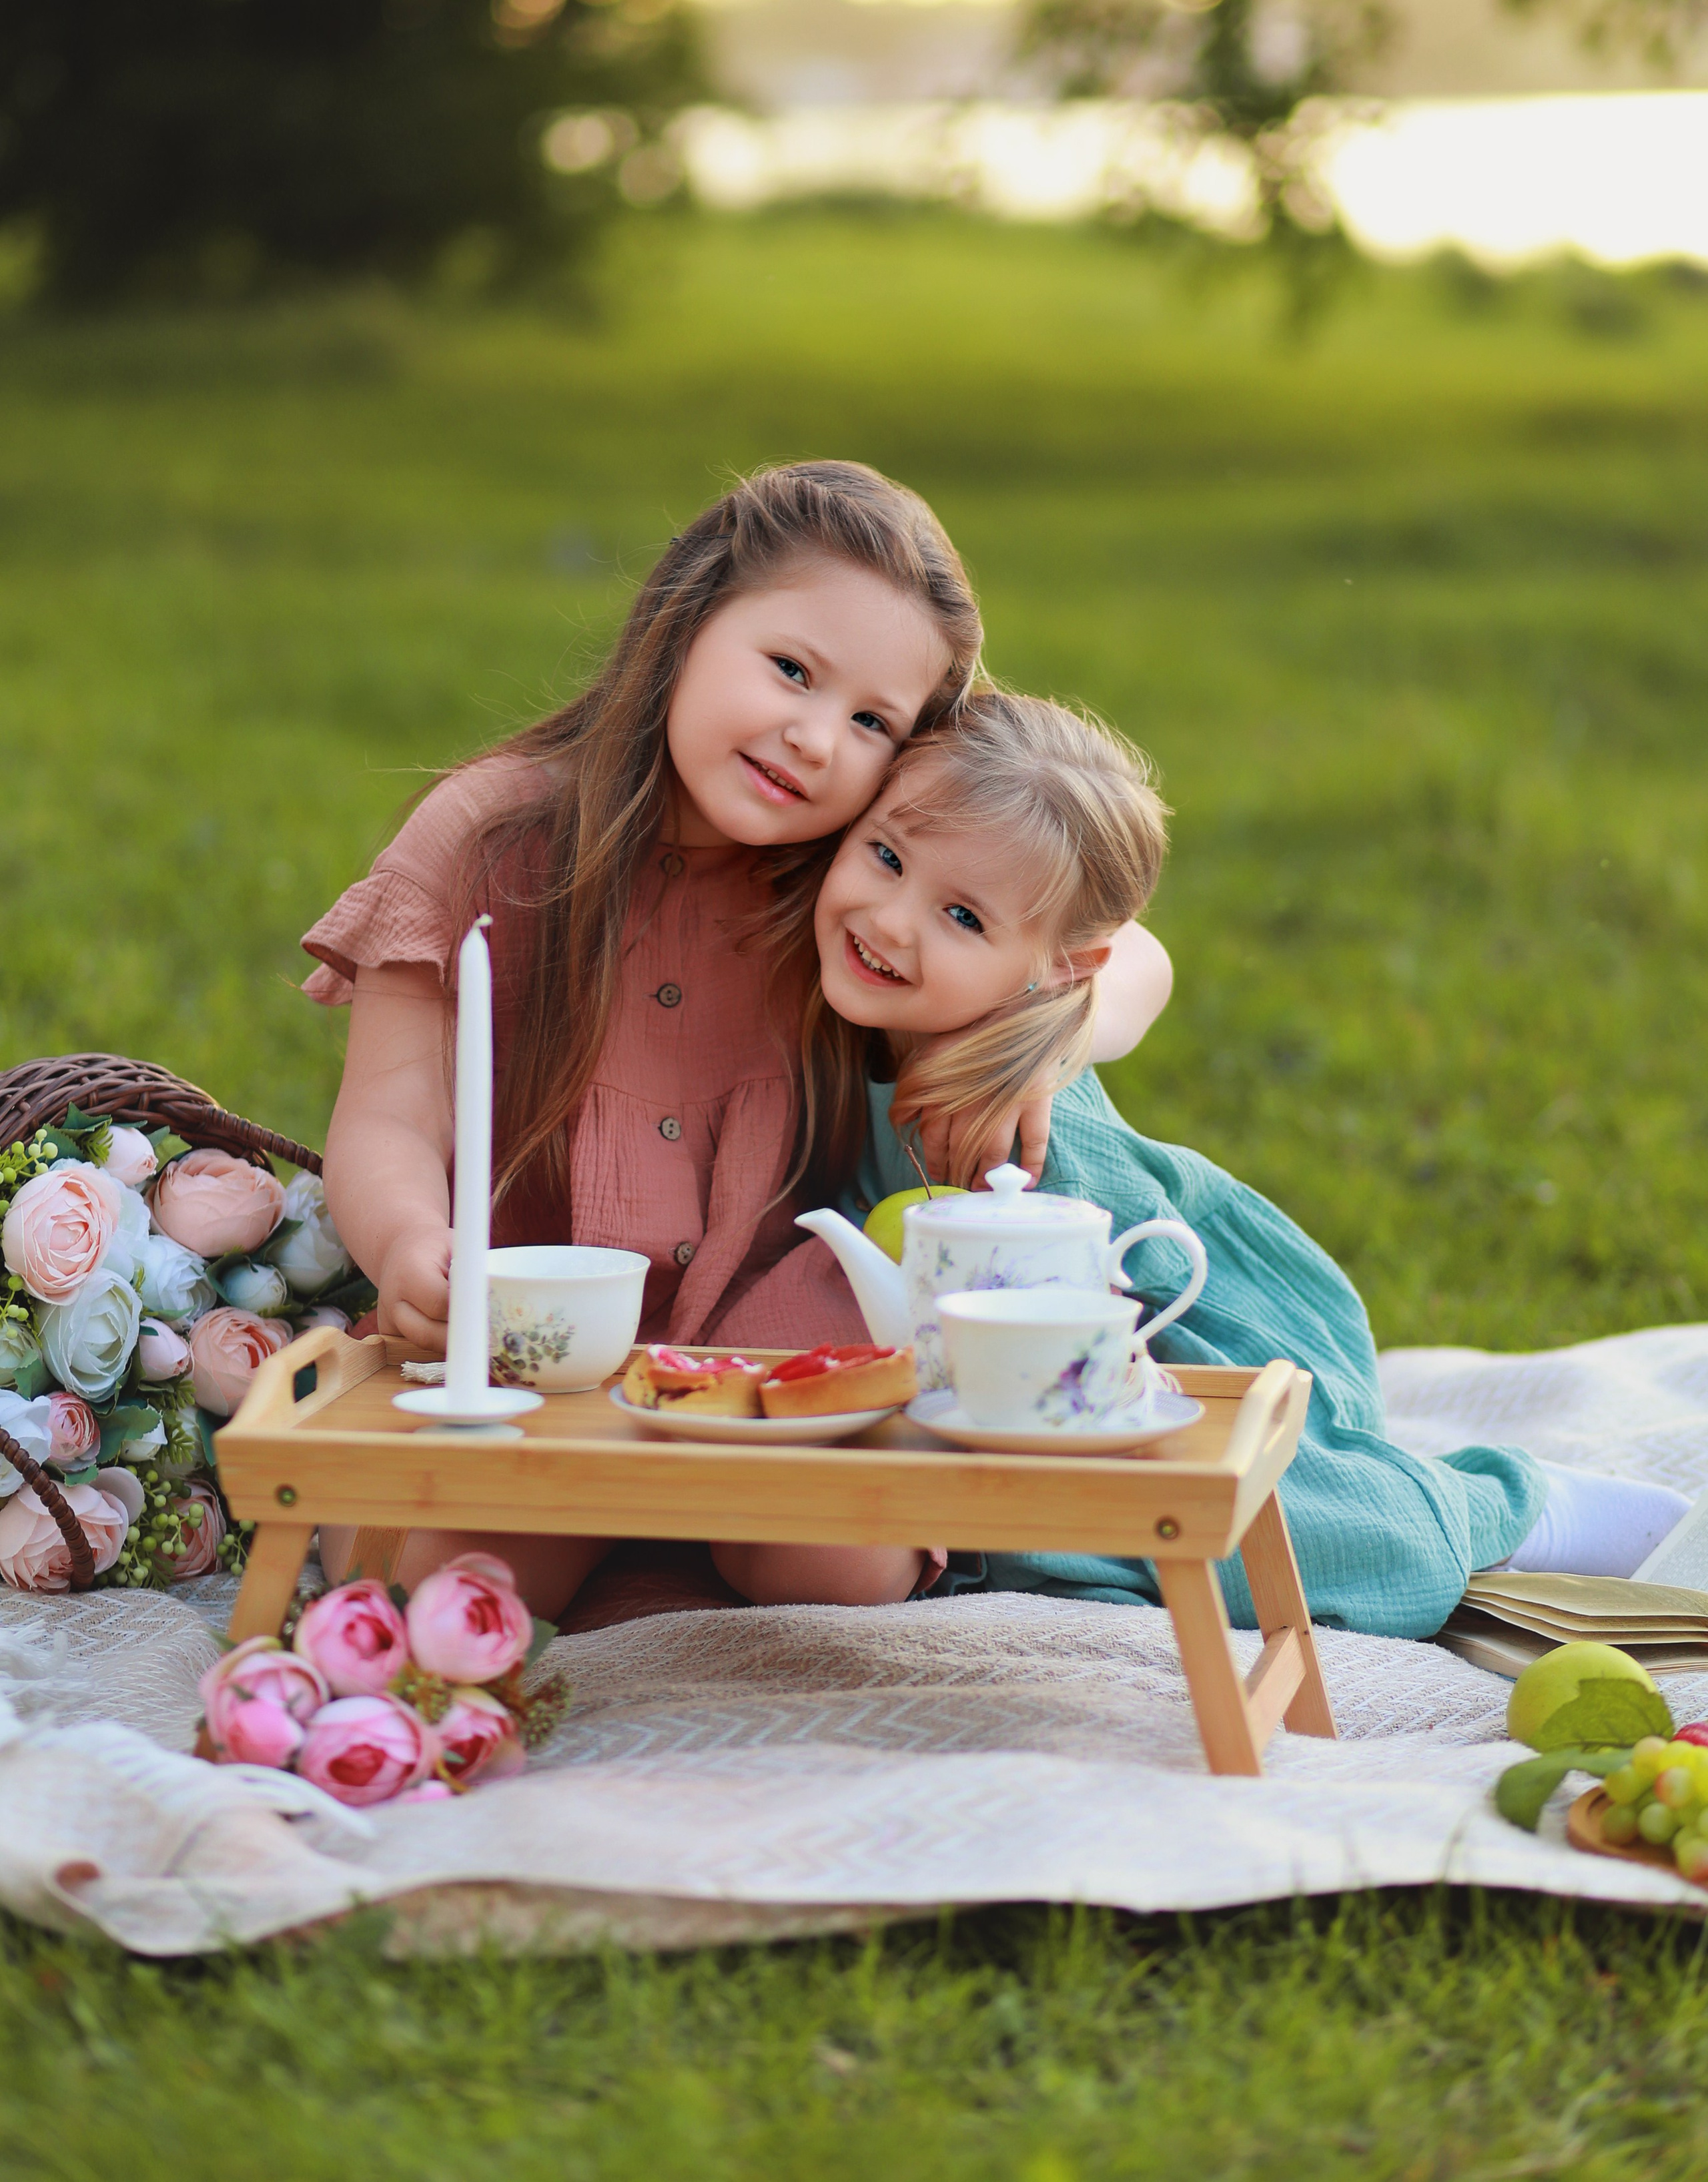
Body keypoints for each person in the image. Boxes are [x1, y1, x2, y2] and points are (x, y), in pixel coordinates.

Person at [300, 463, 1170, 1617]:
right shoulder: (495, 834)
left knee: (832, 1567)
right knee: (430, 1595)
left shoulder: (858, 868)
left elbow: (1131, 954)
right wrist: (410, 1239)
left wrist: (1048, 1037)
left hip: (769, 1359)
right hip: (530, 1351)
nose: (815, 738)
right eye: (792, 671)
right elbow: (392, 1112)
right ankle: (633, 1547)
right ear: (686, 622)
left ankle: (682, 1543)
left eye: (871, 721)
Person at [808, 691, 1689, 1633]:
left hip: (1194, 1335)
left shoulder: (1023, 1120)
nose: (893, 921)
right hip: (993, 1400)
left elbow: (1143, 1317)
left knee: (1270, 1530)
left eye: (963, 917)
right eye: (887, 857)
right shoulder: (845, 1008)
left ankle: (1496, 1508)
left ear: (1059, 968)